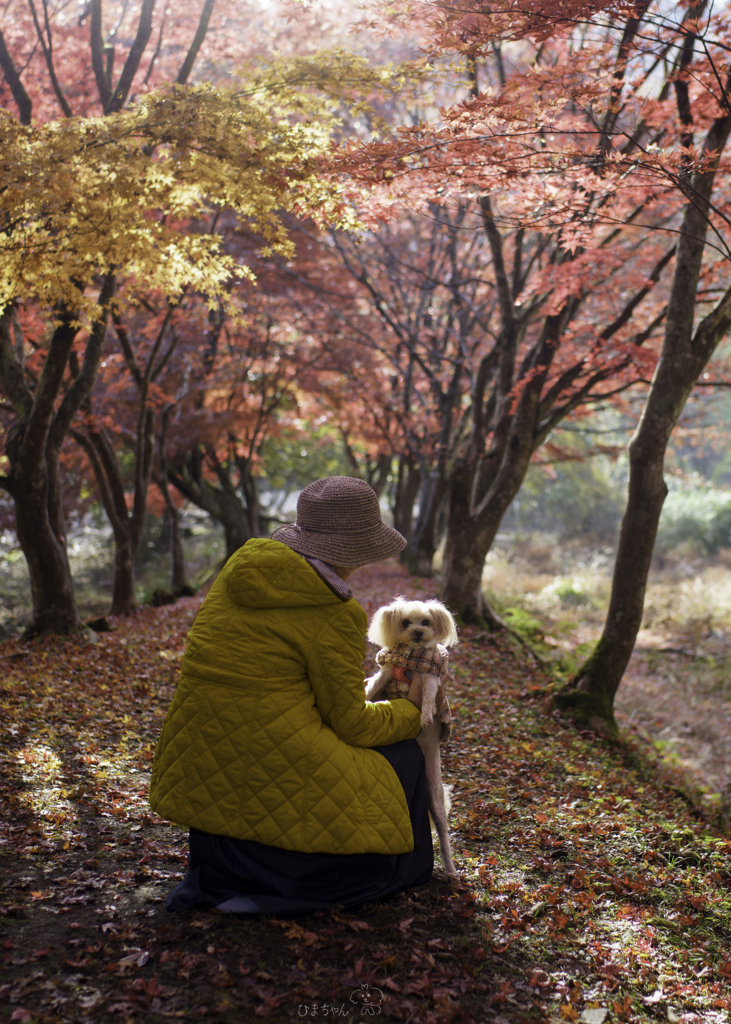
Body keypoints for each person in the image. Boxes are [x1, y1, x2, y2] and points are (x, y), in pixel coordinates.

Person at [149, 476, 444, 914]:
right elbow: (353, 724)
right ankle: (365, 872)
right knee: (403, 752)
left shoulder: (237, 576)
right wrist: (410, 710)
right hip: (274, 760)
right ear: (356, 550)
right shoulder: (334, 610)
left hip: (202, 767)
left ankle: (228, 877)